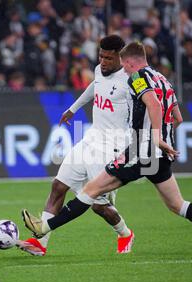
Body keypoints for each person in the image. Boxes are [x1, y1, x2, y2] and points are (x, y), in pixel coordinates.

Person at [22, 42, 192, 254]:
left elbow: (153, 104)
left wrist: (154, 138)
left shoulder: (138, 77)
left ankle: (44, 228)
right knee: (178, 205)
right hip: (159, 158)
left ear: (128, 62)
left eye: (124, 66)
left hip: (140, 153)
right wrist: (162, 139)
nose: (125, 72)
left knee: (90, 192)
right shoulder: (163, 80)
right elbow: (177, 117)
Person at [17, 35, 135, 256]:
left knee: (97, 205)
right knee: (58, 186)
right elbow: (93, 87)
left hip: (111, 148)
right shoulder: (100, 71)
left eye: (108, 58)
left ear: (120, 57)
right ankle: (40, 244)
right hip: (90, 139)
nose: (103, 62)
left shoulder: (129, 82)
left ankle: (125, 233)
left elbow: (144, 109)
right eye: (101, 56)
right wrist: (73, 108)